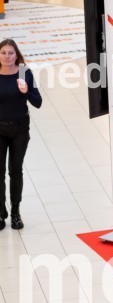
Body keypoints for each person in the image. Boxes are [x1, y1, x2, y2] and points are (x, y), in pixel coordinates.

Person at [0, 39, 41, 231]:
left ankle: (15, 212)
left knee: (15, 171)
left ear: (17, 55)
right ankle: (1, 213)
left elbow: (38, 102)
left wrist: (26, 92)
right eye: (3, 53)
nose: (7, 56)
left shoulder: (25, 73)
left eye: (11, 53)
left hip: (19, 129)